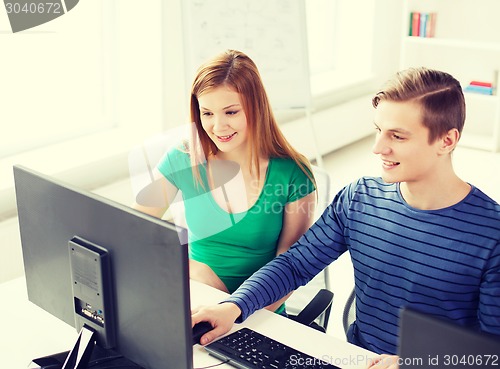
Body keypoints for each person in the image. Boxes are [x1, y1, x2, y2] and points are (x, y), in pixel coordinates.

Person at [191, 67, 500, 367]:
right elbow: (295, 264)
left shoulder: (492, 235)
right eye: (379, 130)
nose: (378, 147)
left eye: (397, 136)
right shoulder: (359, 199)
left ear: (446, 141)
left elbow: (491, 353)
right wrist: (234, 306)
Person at [133, 49, 316, 313]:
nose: (218, 126)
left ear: (257, 108)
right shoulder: (183, 158)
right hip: (194, 298)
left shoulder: (293, 173)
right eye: (207, 114)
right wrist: (194, 270)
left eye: (230, 112)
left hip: (261, 312)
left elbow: (290, 266)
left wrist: (239, 313)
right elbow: (134, 230)